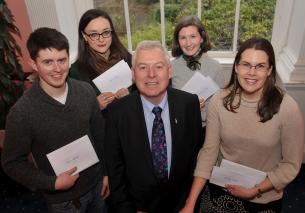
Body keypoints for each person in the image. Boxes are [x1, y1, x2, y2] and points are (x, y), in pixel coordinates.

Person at [180, 37, 304, 213]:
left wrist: (256, 190)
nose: (251, 72)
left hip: (263, 196)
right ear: (236, 67)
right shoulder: (219, 100)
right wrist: (190, 203)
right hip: (221, 188)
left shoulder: (288, 108)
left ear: (269, 70)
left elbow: (291, 165)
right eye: (246, 64)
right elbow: (209, 152)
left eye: (260, 66)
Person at [1, 27, 109, 213]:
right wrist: (52, 183)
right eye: (48, 62)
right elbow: (11, 163)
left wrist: (106, 173)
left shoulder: (86, 91)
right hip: (63, 201)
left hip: (97, 186)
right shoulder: (21, 112)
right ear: (33, 64)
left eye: (62, 60)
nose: (57, 69)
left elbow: (100, 136)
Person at [105, 40, 203, 213]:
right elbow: (115, 171)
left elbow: (195, 158)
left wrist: (189, 204)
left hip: (181, 206)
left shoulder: (189, 104)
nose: (151, 74)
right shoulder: (117, 113)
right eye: (143, 67)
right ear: (133, 74)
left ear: (169, 71)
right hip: (138, 206)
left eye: (158, 67)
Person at [69, 9, 132, 110]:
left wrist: (130, 97)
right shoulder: (76, 72)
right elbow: (75, 112)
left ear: (112, 32)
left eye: (106, 32)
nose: (101, 39)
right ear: (84, 36)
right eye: (94, 34)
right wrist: (95, 107)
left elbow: (143, 95)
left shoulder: (127, 58)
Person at [171, 15, 226, 128]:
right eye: (183, 38)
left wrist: (201, 109)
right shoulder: (171, 67)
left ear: (202, 38)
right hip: (178, 127)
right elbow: (166, 104)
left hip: (207, 128)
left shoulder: (216, 67)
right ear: (178, 40)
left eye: (192, 36)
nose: (188, 43)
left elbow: (222, 106)